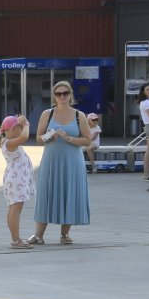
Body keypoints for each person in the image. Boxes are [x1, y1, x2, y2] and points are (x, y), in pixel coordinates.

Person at [30, 80, 91, 244]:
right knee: (47, 193)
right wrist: (50, 136)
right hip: (51, 160)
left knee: (69, 192)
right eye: (58, 94)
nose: (62, 96)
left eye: (65, 93)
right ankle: (38, 235)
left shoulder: (79, 115)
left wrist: (69, 138)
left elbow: (88, 140)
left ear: (70, 95)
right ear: (54, 97)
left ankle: (65, 234)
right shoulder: (47, 114)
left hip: (72, 161)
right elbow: (39, 139)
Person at [0, 115, 36, 249]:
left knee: (13, 208)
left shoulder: (7, 141)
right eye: (19, 128)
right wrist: (26, 124)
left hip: (15, 179)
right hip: (16, 180)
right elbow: (24, 137)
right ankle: (15, 240)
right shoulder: (9, 143)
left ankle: (15, 238)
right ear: (12, 129)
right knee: (16, 210)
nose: (21, 130)